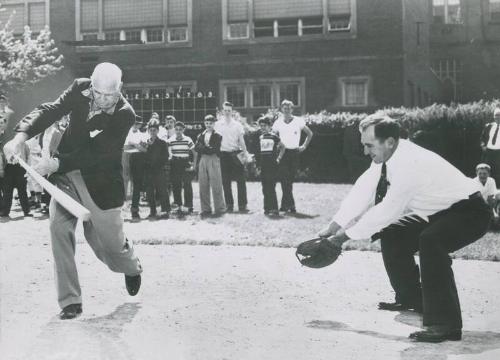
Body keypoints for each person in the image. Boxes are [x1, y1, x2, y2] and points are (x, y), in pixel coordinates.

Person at [318, 114, 491, 343]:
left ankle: (444, 324)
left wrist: (342, 238)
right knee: (393, 233)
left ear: (389, 141)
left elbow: (387, 210)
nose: (365, 151)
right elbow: (363, 190)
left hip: (470, 212)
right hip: (438, 213)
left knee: (432, 241)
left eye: (369, 146)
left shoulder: (410, 163)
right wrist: (333, 226)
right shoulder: (387, 157)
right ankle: (412, 298)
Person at [3, 62, 143, 320]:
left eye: (108, 95)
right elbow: (51, 110)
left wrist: (55, 163)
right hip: (66, 176)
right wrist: (19, 137)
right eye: (97, 93)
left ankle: (131, 266)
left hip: (101, 182)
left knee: (108, 249)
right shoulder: (80, 88)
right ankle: (70, 301)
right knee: (58, 228)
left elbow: (99, 154)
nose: (101, 100)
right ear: (90, 84)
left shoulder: (126, 114)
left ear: (120, 89)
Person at [272, 99, 313, 213]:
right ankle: (291, 206)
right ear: (281, 109)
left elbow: (310, 133)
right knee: (284, 179)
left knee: (289, 180)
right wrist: (277, 147)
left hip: (294, 153)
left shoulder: (298, 121)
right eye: (285, 108)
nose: (287, 110)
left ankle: (285, 205)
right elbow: (273, 137)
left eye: (289, 108)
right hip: (282, 153)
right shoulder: (278, 122)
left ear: (292, 109)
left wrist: (304, 146)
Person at [214, 101, 250, 213]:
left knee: (241, 181)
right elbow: (215, 141)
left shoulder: (238, 125)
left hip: (235, 154)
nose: (227, 113)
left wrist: (246, 154)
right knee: (225, 181)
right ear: (222, 111)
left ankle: (242, 205)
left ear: (232, 111)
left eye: (229, 111)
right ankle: (229, 205)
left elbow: (242, 141)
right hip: (223, 155)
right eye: (225, 110)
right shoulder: (217, 124)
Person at [195, 114, 225, 217]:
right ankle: (205, 208)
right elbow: (196, 148)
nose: (208, 125)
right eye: (207, 123)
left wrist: (204, 148)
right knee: (203, 184)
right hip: (203, 159)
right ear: (204, 123)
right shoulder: (200, 135)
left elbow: (215, 149)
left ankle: (219, 208)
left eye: (211, 123)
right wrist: (206, 148)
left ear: (214, 124)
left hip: (213, 159)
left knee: (216, 183)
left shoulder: (218, 135)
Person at [255, 115, 285, 216]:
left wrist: (279, 158)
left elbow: (283, 147)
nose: (263, 128)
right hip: (263, 165)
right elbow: (259, 153)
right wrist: (258, 166)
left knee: (271, 186)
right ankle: (266, 208)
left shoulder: (274, 137)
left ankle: (274, 208)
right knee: (264, 187)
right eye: (261, 126)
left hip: (272, 165)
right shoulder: (260, 137)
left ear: (269, 126)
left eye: (265, 126)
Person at [144, 118, 170, 219]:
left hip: (159, 169)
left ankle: (165, 210)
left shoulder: (162, 143)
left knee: (162, 190)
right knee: (149, 191)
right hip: (149, 170)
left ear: (158, 131)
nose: (152, 132)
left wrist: (158, 164)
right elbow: (143, 156)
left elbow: (166, 156)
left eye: (154, 130)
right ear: (148, 131)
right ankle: (152, 211)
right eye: (150, 130)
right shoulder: (146, 143)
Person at [167, 121, 195, 213]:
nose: (178, 131)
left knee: (187, 184)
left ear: (183, 130)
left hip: (185, 162)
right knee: (176, 184)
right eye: (176, 129)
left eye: (180, 129)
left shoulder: (188, 139)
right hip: (175, 163)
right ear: (174, 130)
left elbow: (194, 152)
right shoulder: (171, 139)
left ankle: (189, 205)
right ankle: (178, 205)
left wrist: (193, 164)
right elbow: (168, 152)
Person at [123, 116, 148, 220]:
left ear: (141, 125)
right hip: (125, 157)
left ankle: (134, 210)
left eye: (138, 124)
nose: (135, 125)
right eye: (134, 123)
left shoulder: (143, 135)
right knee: (123, 182)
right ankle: (121, 208)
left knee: (136, 184)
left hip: (137, 158)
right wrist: (136, 146)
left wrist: (133, 144)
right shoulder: (125, 132)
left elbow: (144, 149)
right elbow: (123, 147)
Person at [1, 140, 31, 218]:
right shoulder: (7, 145)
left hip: (20, 168)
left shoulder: (24, 144)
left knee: (22, 191)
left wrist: (27, 169)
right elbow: (3, 158)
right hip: (9, 168)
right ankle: (5, 211)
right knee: (7, 191)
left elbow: (28, 156)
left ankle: (26, 211)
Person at [480, 107, 500, 184]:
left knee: (497, 170)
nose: (498, 117)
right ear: (494, 116)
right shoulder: (489, 126)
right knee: (486, 169)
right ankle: (486, 185)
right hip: (489, 152)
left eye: (499, 115)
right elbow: (482, 137)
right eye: (496, 115)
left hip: (499, 152)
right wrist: (483, 146)